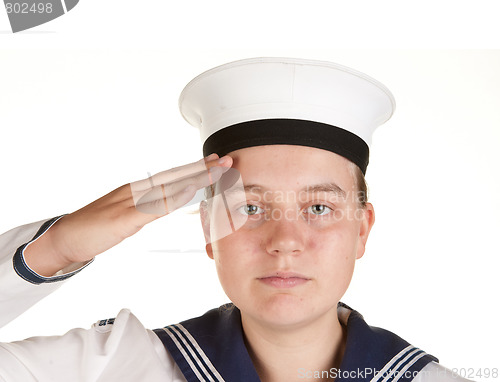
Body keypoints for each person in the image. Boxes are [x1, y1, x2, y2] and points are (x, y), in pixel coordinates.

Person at [0, 58, 471, 381]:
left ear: (362, 229)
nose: (284, 241)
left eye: (320, 208)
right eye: (250, 208)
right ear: (208, 229)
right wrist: (57, 249)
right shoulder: (115, 366)